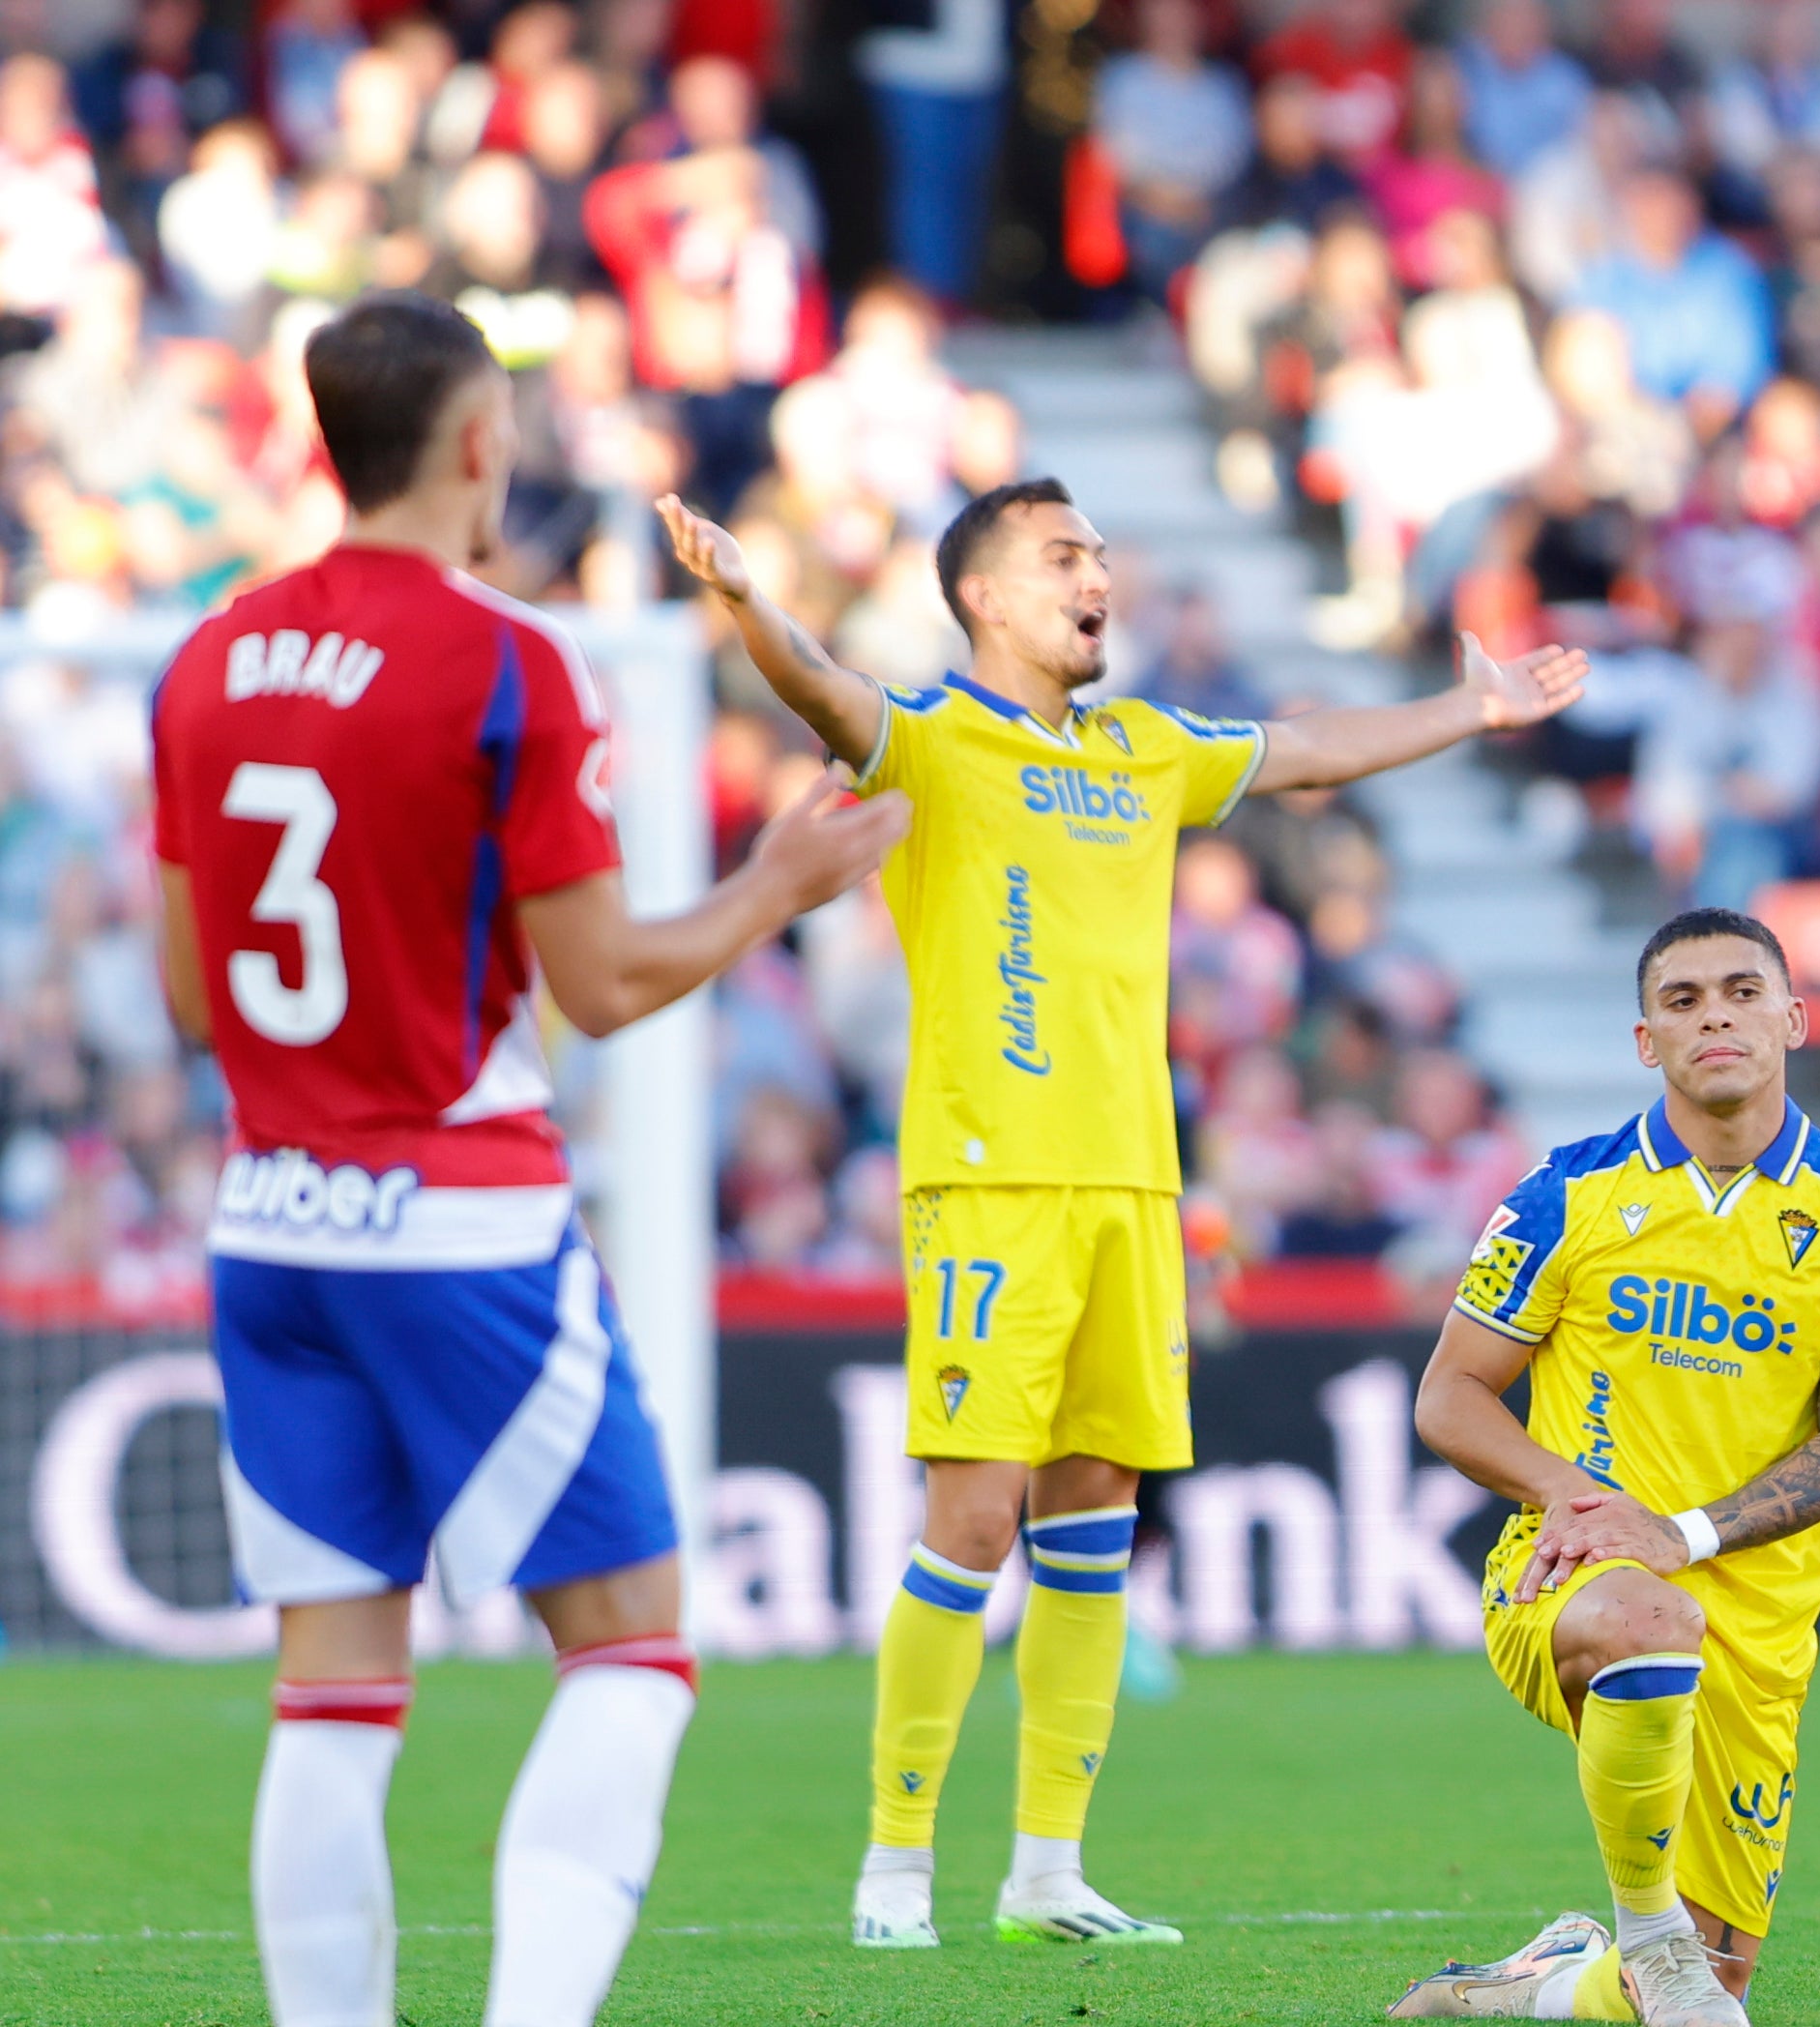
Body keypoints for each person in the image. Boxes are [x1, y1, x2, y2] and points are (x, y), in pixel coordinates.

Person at [148, 294, 907, 2027]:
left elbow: (181, 986)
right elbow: (605, 983)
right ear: (475, 447)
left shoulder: (212, 654)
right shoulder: (509, 662)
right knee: (635, 1643)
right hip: (459, 1221)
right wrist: (782, 878)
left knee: (332, 1693)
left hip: (274, 1220)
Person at [654, 482, 1587, 1952]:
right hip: (989, 1182)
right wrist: (744, 603)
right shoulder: (939, 738)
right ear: (985, 599)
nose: (1098, 575)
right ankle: (895, 1870)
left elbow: (1303, 752)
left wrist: (1467, 713)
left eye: (1100, 552)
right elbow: (817, 689)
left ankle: (1047, 1871)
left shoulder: (1145, 749)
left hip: (1136, 1185)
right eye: (1063, 556)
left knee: (1095, 1520)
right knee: (969, 1521)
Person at [1389, 909, 1820, 2027]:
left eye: (1740, 990)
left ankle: (1551, 1974)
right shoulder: (1566, 1193)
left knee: (1717, 1983)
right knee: (1645, 1624)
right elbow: (1450, 1395)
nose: (1714, 1014)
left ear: (1794, 1017)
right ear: (1646, 1041)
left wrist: (1680, 1534)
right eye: (1682, 1000)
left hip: (1761, 1612)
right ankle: (1644, 1937)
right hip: (1573, 1576)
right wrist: (1571, 1498)